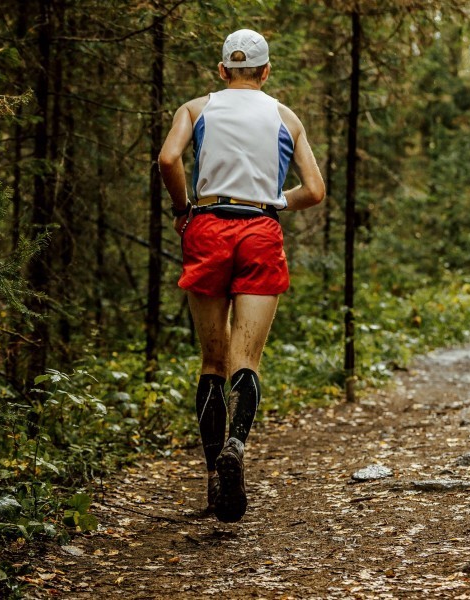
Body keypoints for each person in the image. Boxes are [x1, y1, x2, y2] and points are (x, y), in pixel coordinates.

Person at [158, 29, 325, 523]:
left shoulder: (195, 108)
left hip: (207, 226)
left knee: (212, 359)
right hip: (259, 230)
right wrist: (276, 201)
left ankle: (214, 477)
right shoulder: (284, 116)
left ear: (222, 70)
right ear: (266, 71)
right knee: (245, 358)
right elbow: (314, 191)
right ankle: (237, 444)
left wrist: (182, 208)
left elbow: (168, 159)